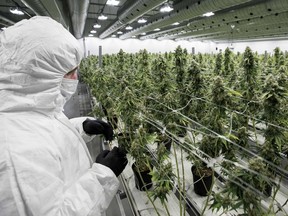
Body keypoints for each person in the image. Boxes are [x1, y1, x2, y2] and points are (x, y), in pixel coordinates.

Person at [0, 16, 127, 216]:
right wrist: (102, 176)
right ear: (40, 75)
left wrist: (82, 127)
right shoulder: (15, 153)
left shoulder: (28, 109)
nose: (76, 78)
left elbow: (48, 133)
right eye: (70, 72)